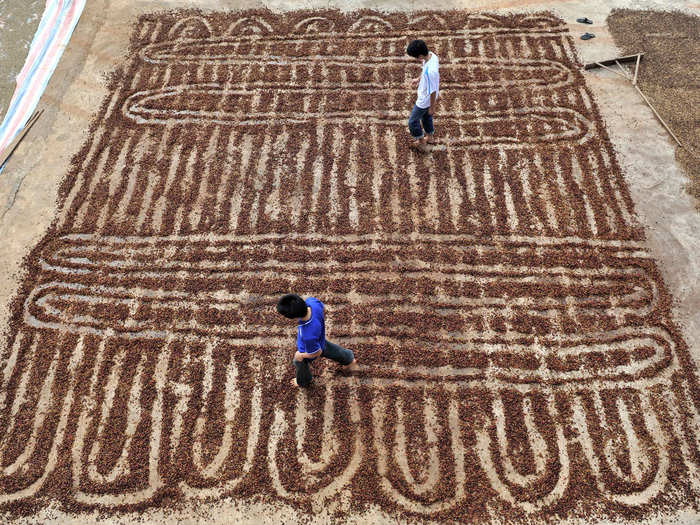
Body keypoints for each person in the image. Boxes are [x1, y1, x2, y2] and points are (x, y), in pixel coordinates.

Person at [276, 294, 358, 388]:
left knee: (298, 362)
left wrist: (301, 355)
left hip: (308, 350)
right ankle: (349, 359)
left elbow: (317, 352)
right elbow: (322, 307)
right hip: (319, 338)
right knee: (328, 348)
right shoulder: (312, 302)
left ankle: (303, 381)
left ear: (292, 317)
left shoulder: (308, 335)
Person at [406, 39, 440, 153]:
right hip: (427, 97)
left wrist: (432, 107)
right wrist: (418, 79)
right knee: (426, 117)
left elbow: (433, 90)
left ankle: (422, 143)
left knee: (412, 122)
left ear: (420, 56)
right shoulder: (431, 55)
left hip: (425, 100)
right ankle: (430, 138)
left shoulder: (431, 72)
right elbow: (425, 70)